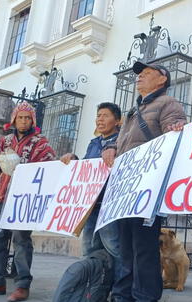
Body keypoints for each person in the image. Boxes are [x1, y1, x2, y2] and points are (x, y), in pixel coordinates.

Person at [101, 62, 186, 302]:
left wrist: (175, 129)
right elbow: (121, 141)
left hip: (147, 191)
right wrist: (109, 147)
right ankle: (122, 296)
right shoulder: (133, 111)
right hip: (125, 191)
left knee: (145, 250)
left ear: (162, 80)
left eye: (147, 74)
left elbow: (174, 133)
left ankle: (144, 297)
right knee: (126, 249)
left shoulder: (169, 104)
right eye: (139, 75)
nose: (140, 78)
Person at [0, 102, 56, 302]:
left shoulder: (40, 142)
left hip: (23, 200)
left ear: (32, 120)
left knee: (21, 241)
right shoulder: (3, 142)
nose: (24, 121)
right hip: (0, 196)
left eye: (28, 118)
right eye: (20, 117)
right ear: (14, 119)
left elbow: (50, 164)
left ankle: (22, 284)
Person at [59, 102, 122, 293]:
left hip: (110, 206)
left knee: (114, 248)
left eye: (105, 115)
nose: (100, 119)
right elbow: (87, 169)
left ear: (117, 121)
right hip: (90, 207)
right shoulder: (93, 143)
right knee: (90, 250)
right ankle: (93, 289)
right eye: (98, 115)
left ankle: (119, 290)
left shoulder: (122, 140)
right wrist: (74, 160)